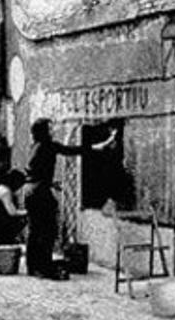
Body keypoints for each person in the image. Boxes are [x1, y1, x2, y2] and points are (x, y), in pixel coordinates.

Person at [25, 118, 115, 277]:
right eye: (50, 128)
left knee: (35, 230)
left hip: (31, 191)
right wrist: (99, 146)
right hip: (40, 192)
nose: (53, 131)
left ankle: (33, 266)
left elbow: (36, 171)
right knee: (48, 230)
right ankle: (44, 267)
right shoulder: (48, 145)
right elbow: (72, 150)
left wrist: (50, 183)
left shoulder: (34, 146)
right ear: (44, 131)